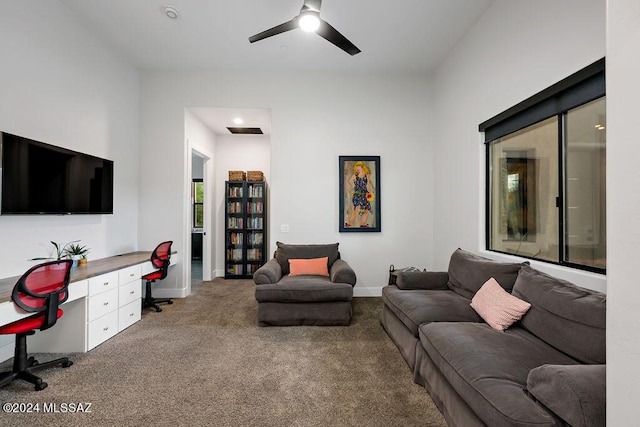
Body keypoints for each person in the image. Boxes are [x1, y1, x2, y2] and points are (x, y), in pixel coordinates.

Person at [346, 161, 375, 227]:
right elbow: (350, 182)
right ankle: (349, 223)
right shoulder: (355, 176)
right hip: (358, 194)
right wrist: (353, 188)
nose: (357, 169)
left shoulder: (366, 175)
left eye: (358, 168)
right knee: (357, 209)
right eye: (356, 168)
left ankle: (363, 223)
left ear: (362, 167)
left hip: (365, 194)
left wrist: (373, 188)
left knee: (367, 209)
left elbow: (369, 182)